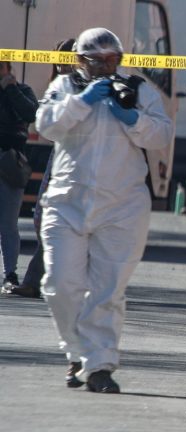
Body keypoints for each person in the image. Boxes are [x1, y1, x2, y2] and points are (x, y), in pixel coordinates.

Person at [36, 27, 172, 393]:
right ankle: (76, 352)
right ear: (81, 60)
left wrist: (133, 119)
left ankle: (99, 366)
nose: (106, 67)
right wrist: (82, 102)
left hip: (123, 205)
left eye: (113, 60)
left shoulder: (138, 90)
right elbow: (45, 125)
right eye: (97, 61)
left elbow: (162, 134)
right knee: (60, 284)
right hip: (67, 201)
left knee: (106, 290)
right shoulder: (66, 87)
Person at [9, 38, 76, 299]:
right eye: (58, 60)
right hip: (57, 156)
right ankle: (41, 279)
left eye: (67, 60)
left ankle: (37, 280)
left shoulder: (83, 88)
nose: (62, 66)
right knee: (43, 217)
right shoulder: (58, 86)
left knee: (61, 221)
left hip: (76, 160)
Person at [0, 61, 38, 293]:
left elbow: (31, 114)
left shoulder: (22, 90)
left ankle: (10, 274)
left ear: (8, 68)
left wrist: (11, 89)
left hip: (11, 162)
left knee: (8, 223)